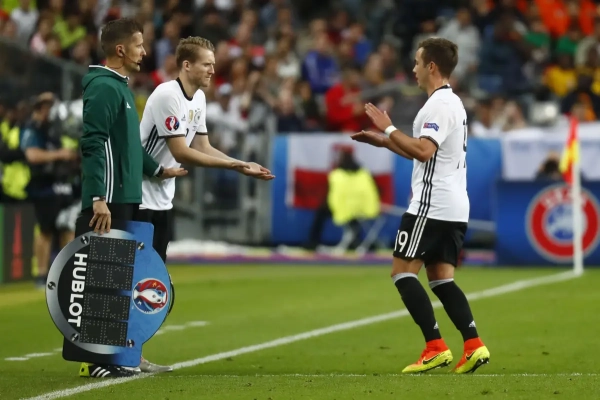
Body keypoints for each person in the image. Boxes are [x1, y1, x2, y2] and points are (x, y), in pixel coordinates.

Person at [351, 37, 490, 374]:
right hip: (454, 205)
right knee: (441, 279)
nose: (413, 69)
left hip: (432, 204)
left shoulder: (438, 105)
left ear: (431, 66)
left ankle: (435, 346)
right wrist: (385, 142)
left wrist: (388, 127)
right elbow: (427, 152)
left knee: (401, 272)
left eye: (416, 62)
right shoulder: (451, 102)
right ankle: (473, 345)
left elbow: (424, 151)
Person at [75, 17, 186, 379]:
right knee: (104, 281)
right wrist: (98, 197)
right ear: (120, 49)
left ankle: (123, 355)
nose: (144, 51)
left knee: (120, 280)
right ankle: (96, 361)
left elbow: (129, 147)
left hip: (124, 193)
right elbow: (93, 144)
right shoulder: (103, 88)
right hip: (109, 198)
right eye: (138, 45)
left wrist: (158, 170)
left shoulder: (120, 87)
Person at [136, 36, 274, 266]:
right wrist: (233, 165)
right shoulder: (167, 95)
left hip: (163, 199)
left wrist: (241, 165)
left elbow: (203, 146)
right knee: (134, 273)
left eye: (213, 64)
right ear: (187, 65)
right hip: (138, 195)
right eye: (206, 64)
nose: (212, 70)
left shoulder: (199, 97)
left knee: (153, 274)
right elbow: (181, 152)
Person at [20, 93, 79, 289]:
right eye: (48, 106)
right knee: (45, 229)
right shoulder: (32, 129)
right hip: (43, 185)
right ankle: (41, 274)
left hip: (62, 183)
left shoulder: (56, 128)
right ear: (41, 108)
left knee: (67, 227)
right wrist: (60, 154)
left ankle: (67, 273)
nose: (51, 110)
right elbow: (32, 155)